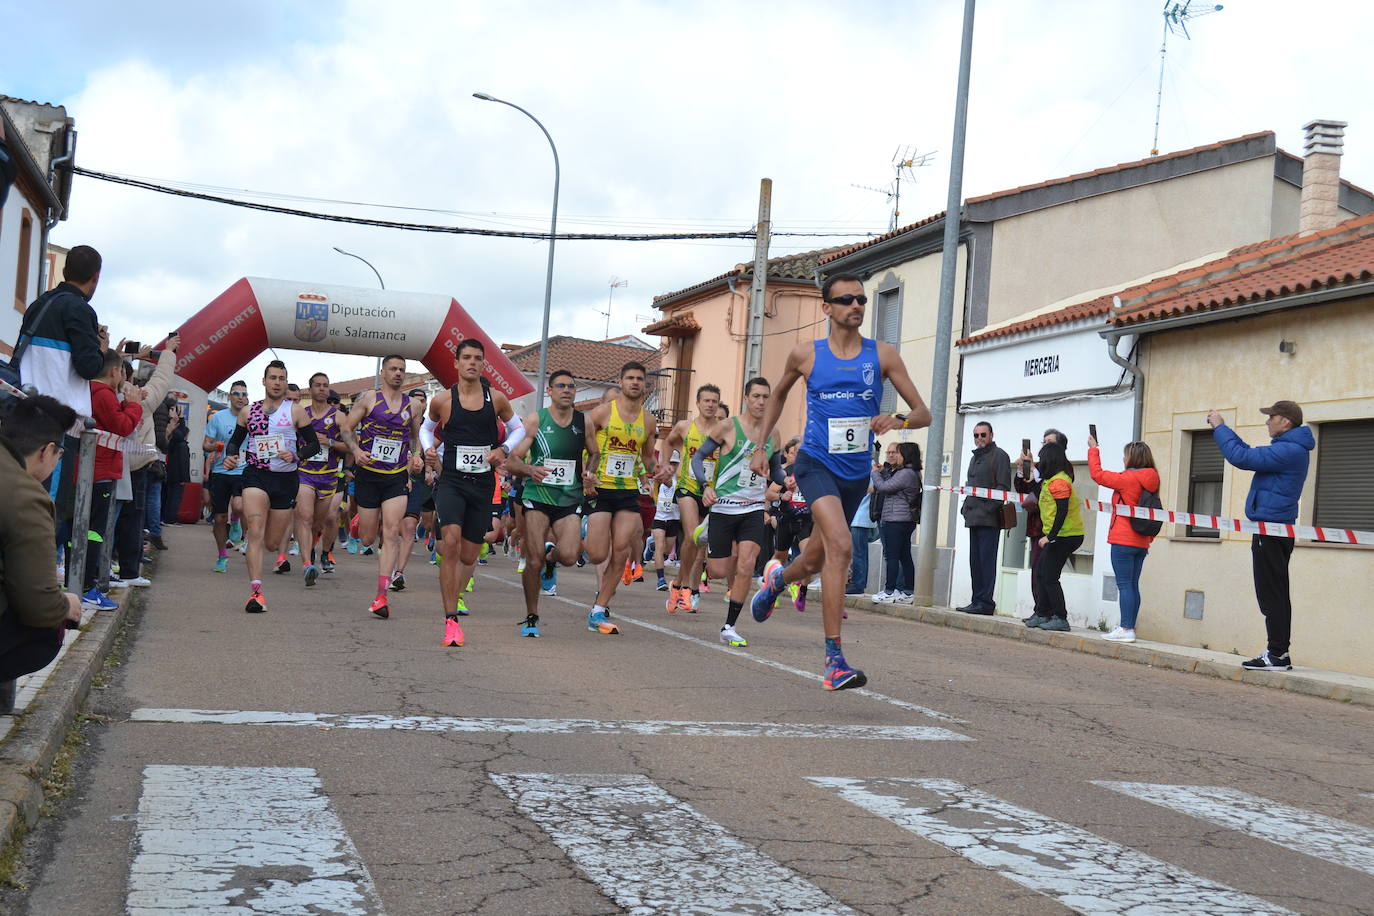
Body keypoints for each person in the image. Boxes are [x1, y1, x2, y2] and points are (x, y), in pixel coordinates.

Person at [748, 273, 932, 690]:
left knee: (814, 560)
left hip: (854, 475)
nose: (857, 305)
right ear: (826, 308)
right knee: (842, 547)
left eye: (862, 299)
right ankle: (834, 660)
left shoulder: (882, 356)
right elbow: (777, 396)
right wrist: (760, 446)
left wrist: (897, 418)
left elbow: (924, 413)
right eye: (847, 299)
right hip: (815, 464)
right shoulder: (805, 355)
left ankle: (777, 579)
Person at [424, 339, 522, 647]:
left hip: (482, 485)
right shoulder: (442, 400)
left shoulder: (498, 399)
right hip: (452, 482)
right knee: (450, 545)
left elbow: (519, 429)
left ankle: (457, 596)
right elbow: (426, 428)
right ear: (455, 363)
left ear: (483, 364)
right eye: (466, 357)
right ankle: (450, 621)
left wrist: (503, 449)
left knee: (468, 554)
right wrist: (428, 450)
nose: (471, 363)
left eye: (477, 359)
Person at [1207, 401, 1314, 671]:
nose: (1267, 421)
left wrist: (1220, 427)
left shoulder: (1289, 450)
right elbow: (1246, 452)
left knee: (1271, 594)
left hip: (1272, 529)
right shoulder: (1289, 449)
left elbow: (1241, 458)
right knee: (1274, 592)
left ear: (1286, 421)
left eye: (1272, 417)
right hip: (1273, 528)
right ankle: (1278, 652)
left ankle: (1277, 654)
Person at [0, 394, 83, 710]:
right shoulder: (27, 496)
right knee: (49, 631)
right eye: (59, 454)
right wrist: (66, 604)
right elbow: (37, 602)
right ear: (47, 450)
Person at [221, 361, 322, 613]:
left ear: (286, 383)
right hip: (256, 476)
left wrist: (296, 454)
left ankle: (270, 554)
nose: (277, 382)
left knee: (272, 542)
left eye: (282, 378)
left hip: (285, 481)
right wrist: (230, 456)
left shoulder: (296, 411)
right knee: (255, 530)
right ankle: (256, 594)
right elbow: (235, 443)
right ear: (264, 381)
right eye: (273, 377)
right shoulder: (249, 412)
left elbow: (314, 445)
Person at [693, 377, 782, 648]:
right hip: (723, 507)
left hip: (753, 507)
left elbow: (776, 469)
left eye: (766, 397)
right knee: (719, 570)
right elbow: (698, 458)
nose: (761, 402)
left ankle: (729, 626)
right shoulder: (728, 427)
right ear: (746, 398)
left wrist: (785, 478)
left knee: (745, 565)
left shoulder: (773, 434)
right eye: (756, 396)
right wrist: (705, 486)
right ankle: (705, 530)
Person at [582, 362, 666, 636]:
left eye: (639, 379)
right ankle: (581, 530)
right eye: (629, 378)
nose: (634, 382)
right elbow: (583, 445)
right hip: (600, 489)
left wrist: (658, 471)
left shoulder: (648, 420)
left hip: (628, 491)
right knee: (597, 553)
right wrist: (586, 474)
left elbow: (645, 457)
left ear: (645, 385)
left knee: (621, 550)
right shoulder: (603, 413)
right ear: (620, 381)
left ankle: (598, 609)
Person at [340, 356, 425, 618]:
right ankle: (358, 524)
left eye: (402, 370)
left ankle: (381, 596)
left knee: (391, 533)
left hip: (396, 476)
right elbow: (345, 428)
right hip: (368, 474)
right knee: (367, 537)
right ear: (383, 372)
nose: (398, 373)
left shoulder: (413, 405)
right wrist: (355, 450)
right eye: (393, 369)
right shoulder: (368, 398)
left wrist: (416, 456)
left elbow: (414, 437)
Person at [506, 369, 587, 638]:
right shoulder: (535, 420)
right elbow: (513, 460)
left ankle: (553, 560)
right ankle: (531, 616)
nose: (567, 390)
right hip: (538, 496)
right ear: (550, 391)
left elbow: (595, 454)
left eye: (571, 386)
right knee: (533, 560)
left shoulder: (584, 423)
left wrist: (590, 472)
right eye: (561, 386)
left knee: (570, 556)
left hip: (569, 497)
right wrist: (530, 470)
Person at [82, 350, 144, 609]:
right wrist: (134, 404)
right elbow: (122, 427)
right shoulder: (103, 393)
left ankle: (84, 582)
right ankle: (87, 586)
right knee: (95, 531)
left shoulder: (91, 391)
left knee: (88, 530)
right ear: (115, 371)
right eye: (122, 372)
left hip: (95, 468)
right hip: (101, 469)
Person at [1087, 435, 1159, 643]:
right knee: (1133, 585)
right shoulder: (1152, 478)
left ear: (1132, 458)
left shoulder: (1128, 479)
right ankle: (1129, 626)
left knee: (1125, 585)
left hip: (1123, 538)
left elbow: (1097, 475)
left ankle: (1126, 628)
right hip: (1142, 540)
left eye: (1125, 456)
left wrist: (1093, 449)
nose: (1123, 459)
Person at [661, 384, 721, 613]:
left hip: (711, 493)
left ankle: (678, 583)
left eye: (714, 401)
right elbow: (668, 440)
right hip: (687, 487)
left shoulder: (722, 430)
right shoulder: (686, 426)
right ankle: (686, 587)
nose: (710, 405)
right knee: (693, 535)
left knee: (699, 542)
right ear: (697, 403)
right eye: (706, 400)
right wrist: (667, 464)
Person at [295, 372, 349, 585]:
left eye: (325, 385)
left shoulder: (339, 417)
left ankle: (314, 550)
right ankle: (307, 563)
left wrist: (330, 442)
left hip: (328, 477)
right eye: (317, 385)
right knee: (305, 517)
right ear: (310, 389)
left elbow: (351, 446)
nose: (322, 388)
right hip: (304, 473)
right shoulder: (301, 414)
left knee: (318, 523)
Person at [1023, 441, 1081, 632]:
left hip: (1067, 535)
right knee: (1041, 572)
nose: (1041, 462)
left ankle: (1060, 617)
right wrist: (1031, 479)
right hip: (1058, 535)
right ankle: (1042, 613)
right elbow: (1040, 495)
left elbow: (1062, 511)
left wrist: (1051, 537)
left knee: (1049, 576)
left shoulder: (1061, 482)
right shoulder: (1051, 481)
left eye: (1042, 459)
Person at [1013, 429, 1069, 622]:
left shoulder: (1064, 468)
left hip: (1053, 530)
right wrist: (1023, 470)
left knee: (1046, 573)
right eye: (1043, 442)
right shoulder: (1041, 467)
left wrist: (1034, 471)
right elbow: (1025, 488)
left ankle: (1050, 613)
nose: (1044, 446)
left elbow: (1046, 488)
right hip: (1037, 526)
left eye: (1049, 443)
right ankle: (1041, 611)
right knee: (1037, 572)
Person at [958, 421, 1011, 614]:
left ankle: (986, 603)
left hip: (989, 519)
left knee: (986, 561)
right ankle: (976, 600)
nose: (979, 438)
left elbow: (1003, 487)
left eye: (983, 435)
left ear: (991, 435)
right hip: (973, 517)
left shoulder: (1000, 456)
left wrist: (987, 508)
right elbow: (970, 486)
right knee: (975, 561)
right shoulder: (975, 458)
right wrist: (965, 507)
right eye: (976, 435)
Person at [204, 381, 249, 572]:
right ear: (229, 397)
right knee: (220, 518)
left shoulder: (252, 417)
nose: (240, 397)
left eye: (244, 394)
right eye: (236, 393)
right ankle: (222, 555)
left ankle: (238, 523)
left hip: (243, 470)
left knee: (239, 505)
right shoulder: (218, 418)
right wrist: (214, 447)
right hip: (221, 472)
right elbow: (206, 444)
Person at [872, 441, 923, 605]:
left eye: (899, 453)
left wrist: (875, 474)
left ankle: (889, 591)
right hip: (903, 519)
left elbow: (884, 487)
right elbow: (892, 482)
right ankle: (907, 591)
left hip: (897, 520)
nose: (896, 456)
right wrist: (883, 471)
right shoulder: (908, 472)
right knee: (904, 556)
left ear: (906, 455)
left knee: (893, 556)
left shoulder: (906, 473)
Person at [394, 389, 435, 589]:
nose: (420, 404)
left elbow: (433, 451)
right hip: (392, 480)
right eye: (416, 400)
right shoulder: (395, 421)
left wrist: (428, 469)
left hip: (416, 482)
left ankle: (399, 573)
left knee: (410, 527)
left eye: (423, 401)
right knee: (391, 529)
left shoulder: (429, 427)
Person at [649, 459, 681, 594]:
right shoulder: (664, 478)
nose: (673, 466)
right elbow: (665, 481)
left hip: (674, 519)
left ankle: (651, 546)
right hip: (660, 518)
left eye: (676, 464)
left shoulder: (680, 480)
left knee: (667, 551)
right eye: (671, 463)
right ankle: (661, 579)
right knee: (660, 547)